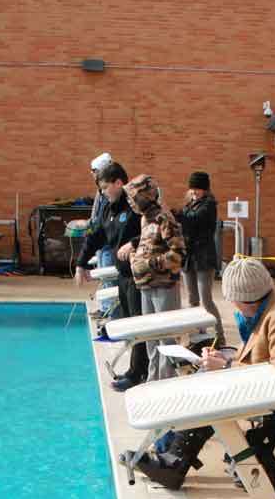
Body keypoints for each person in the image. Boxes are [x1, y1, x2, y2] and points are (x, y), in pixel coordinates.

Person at [135, 257, 275, 490]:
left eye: (231, 298)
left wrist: (225, 367)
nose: (231, 303)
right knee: (207, 385)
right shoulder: (268, 309)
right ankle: (171, 458)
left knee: (211, 396)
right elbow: (258, 359)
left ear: (244, 298)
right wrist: (223, 358)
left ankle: (173, 462)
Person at [77, 162, 145, 392]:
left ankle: (138, 373)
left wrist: (133, 242)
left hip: (141, 275)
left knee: (138, 324)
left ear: (119, 183)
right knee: (128, 321)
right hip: (124, 275)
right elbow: (96, 235)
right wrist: (81, 262)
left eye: (106, 187)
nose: (103, 193)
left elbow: (155, 229)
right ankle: (136, 368)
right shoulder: (109, 207)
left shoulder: (136, 205)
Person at [127, 174, 187, 382]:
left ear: (145, 196)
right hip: (146, 286)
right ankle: (153, 381)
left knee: (167, 341)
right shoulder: (145, 220)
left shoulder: (164, 218)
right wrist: (136, 258)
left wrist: (150, 264)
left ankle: (166, 384)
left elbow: (178, 254)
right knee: (151, 338)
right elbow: (147, 248)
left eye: (134, 197)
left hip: (164, 286)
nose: (131, 202)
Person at [174, 171, 225, 344]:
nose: (194, 191)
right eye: (192, 188)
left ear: (205, 189)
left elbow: (193, 220)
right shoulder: (190, 204)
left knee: (206, 299)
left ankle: (220, 336)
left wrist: (172, 214)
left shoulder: (209, 205)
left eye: (198, 188)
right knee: (192, 299)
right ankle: (198, 333)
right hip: (190, 258)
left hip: (203, 258)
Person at [76, 152, 119, 319]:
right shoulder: (101, 191)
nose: (92, 174)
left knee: (109, 279)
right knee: (104, 277)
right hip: (101, 242)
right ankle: (105, 310)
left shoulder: (110, 192)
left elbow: (104, 219)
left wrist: (92, 225)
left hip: (108, 243)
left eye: (94, 170)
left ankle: (110, 313)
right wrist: (88, 224)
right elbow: (96, 215)